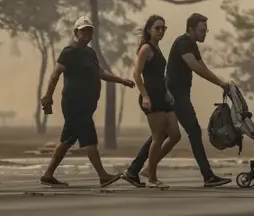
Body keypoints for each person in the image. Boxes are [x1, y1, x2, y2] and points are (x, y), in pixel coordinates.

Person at [39, 16, 136, 187]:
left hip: (86, 104)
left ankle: (48, 174)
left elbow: (101, 73)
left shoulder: (90, 53)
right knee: (90, 139)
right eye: (83, 30)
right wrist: (48, 96)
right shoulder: (69, 52)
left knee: (67, 140)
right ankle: (103, 175)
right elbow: (56, 74)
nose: (87, 34)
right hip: (75, 103)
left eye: (89, 30)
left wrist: (122, 80)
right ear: (76, 32)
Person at [163, 12, 231, 187]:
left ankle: (136, 170)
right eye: (202, 30)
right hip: (175, 96)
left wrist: (221, 83)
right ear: (191, 29)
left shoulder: (191, 44)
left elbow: (203, 65)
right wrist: (220, 83)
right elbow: (196, 68)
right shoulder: (183, 44)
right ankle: (208, 176)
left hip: (181, 94)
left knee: (162, 134)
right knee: (193, 131)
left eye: (206, 30)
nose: (204, 33)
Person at [121, 15, 182, 188]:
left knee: (175, 135)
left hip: (163, 95)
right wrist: (145, 96)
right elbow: (136, 74)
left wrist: (168, 92)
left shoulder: (157, 48)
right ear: (149, 29)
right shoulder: (146, 49)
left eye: (164, 28)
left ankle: (148, 169)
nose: (161, 31)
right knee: (157, 137)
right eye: (157, 28)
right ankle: (152, 177)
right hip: (151, 96)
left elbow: (160, 76)